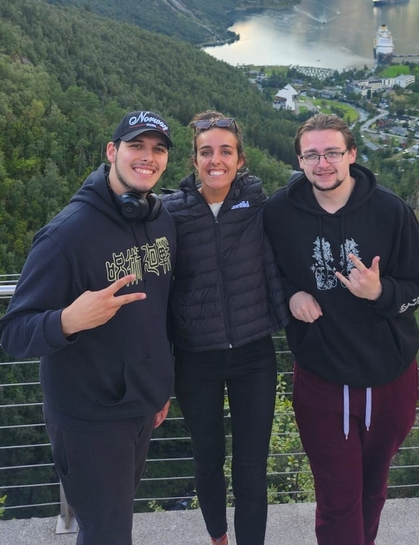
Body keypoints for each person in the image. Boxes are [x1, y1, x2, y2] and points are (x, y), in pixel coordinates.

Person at [0, 109, 176, 545]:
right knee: (108, 533)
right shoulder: (66, 235)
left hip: (139, 406)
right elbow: (14, 332)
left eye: (158, 150)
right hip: (87, 418)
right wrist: (68, 320)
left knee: (110, 525)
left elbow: (158, 315)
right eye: (136, 146)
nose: (147, 157)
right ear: (112, 152)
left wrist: (157, 387)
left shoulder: (160, 219)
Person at [264, 113, 419, 545]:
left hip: (391, 376)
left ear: (352, 155)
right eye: (312, 155)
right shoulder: (280, 212)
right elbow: (260, 270)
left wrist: (381, 292)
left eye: (333, 153)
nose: (323, 163)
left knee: (373, 491)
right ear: (300, 161)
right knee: (338, 498)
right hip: (323, 379)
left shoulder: (391, 211)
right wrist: (288, 294)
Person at [162, 111, 289, 545]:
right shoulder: (169, 213)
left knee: (252, 465)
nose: (216, 160)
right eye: (206, 152)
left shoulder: (257, 201)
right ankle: (218, 540)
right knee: (208, 460)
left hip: (254, 353)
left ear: (241, 159)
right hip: (196, 358)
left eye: (226, 151)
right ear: (194, 160)